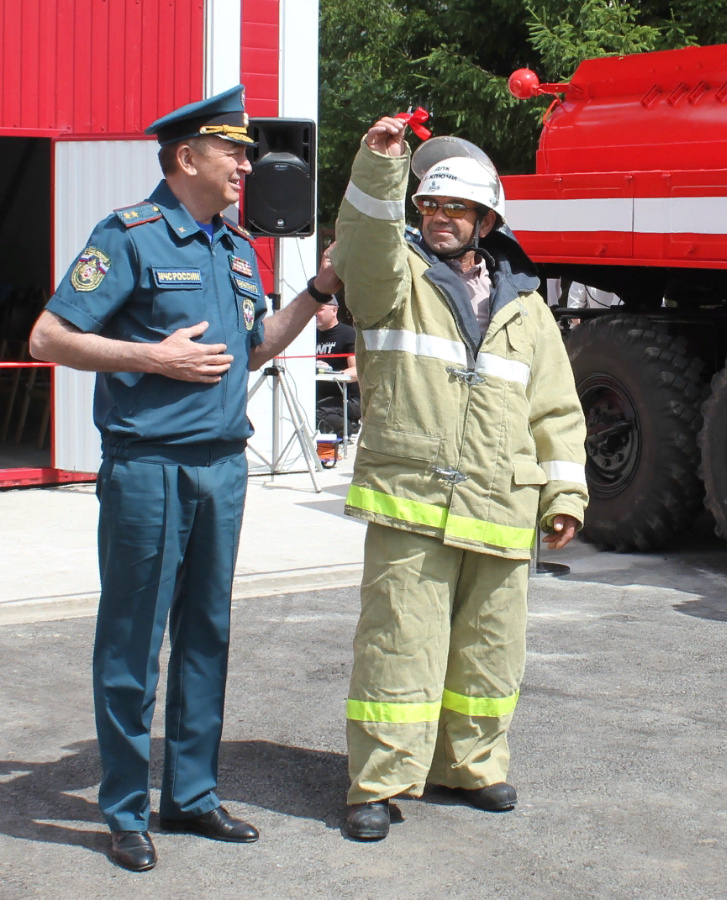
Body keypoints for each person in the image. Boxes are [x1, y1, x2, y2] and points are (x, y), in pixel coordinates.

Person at [27, 85, 339, 872]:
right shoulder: (129, 236)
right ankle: (125, 809)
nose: (246, 162)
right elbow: (47, 336)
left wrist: (314, 294)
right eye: (232, 149)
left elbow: (254, 346)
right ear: (185, 157)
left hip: (220, 471)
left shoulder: (234, 249)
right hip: (148, 469)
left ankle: (192, 797)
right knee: (133, 645)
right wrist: (151, 356)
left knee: (207, 638)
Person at [331, 117, 589, 841]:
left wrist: (565, 494)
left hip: (501, 505)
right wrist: (384, 168)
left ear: (486, 220)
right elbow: (364, 244)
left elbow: (556, 410)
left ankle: (471, 767)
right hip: (412, 497)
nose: (438, 219)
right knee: (398, 645)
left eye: (454, 209)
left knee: (490, 649)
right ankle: (377, 783)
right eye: (428, 207)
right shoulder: (394, 279)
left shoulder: (529, 309)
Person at [313, 295, 360, 436]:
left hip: (347, 398)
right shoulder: (309, 335)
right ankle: (344, 424)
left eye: (320, 309)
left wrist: (328, 372)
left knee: (315, 413)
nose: (315, 314)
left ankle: (346, 426)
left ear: (334, 310)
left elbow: (357, 371)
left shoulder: (348, 334)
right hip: (317, 396)